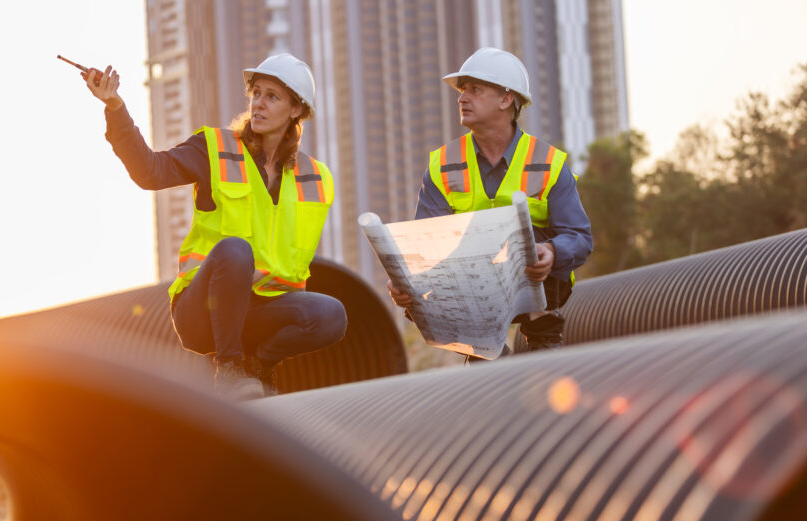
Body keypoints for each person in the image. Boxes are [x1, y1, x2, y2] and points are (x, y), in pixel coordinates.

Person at [83, 54, 347, 399]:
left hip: (261, 311)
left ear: (296, 110)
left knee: (332, 315)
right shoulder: (215, 149)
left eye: (272, 96)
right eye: (256, 93)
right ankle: (229, 369)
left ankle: (259, 366)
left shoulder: (316, 178)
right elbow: (149, 171)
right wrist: (115, 106)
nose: (259, 104)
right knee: (236, 251)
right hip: (203, 311)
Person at [388, 47, 592, 359]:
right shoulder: (442, 165)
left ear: (506, 99)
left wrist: (551, 252)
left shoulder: (548, 163)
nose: (462, 98)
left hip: (536, 287)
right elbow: (426, 247)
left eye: (475, 89)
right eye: (462, 90)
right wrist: (405, 281)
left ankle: (542, 342)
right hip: (469, 291)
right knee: (425, 283)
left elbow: (579, 238)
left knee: (530, 241)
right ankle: (485, 354)